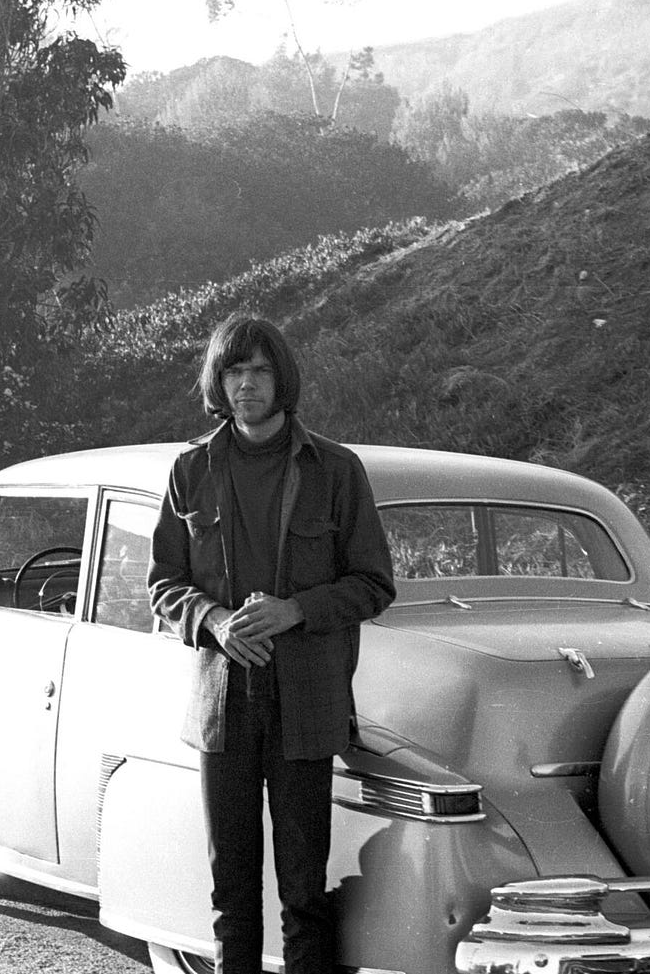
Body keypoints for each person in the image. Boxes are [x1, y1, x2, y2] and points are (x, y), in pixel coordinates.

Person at [148, 315, 395, 974]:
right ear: (218, 382)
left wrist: (295, 610)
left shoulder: (336, 471)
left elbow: (374, 583)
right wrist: (216, 619)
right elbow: (163, 584)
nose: (247, 384)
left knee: (304, 894)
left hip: (305, 705)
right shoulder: (190, 470)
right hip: (222, 709)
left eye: (259, 370)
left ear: (280, 378)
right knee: (231, 893)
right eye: (234, 371)